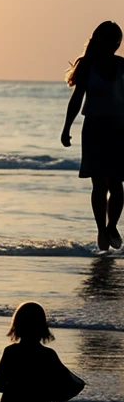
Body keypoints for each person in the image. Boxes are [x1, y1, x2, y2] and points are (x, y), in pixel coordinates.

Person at [61, 21, 124, 252]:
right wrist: (66, 127)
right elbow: (77, 99)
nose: (114, 45)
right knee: (99, 183)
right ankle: (101, 229)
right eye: (110, 39)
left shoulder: (122, 66)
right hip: (94, 129)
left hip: (119, 129)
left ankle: (112, 226)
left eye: (117, 41)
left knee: (117, 183)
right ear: (98, 39)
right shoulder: (88, 66)